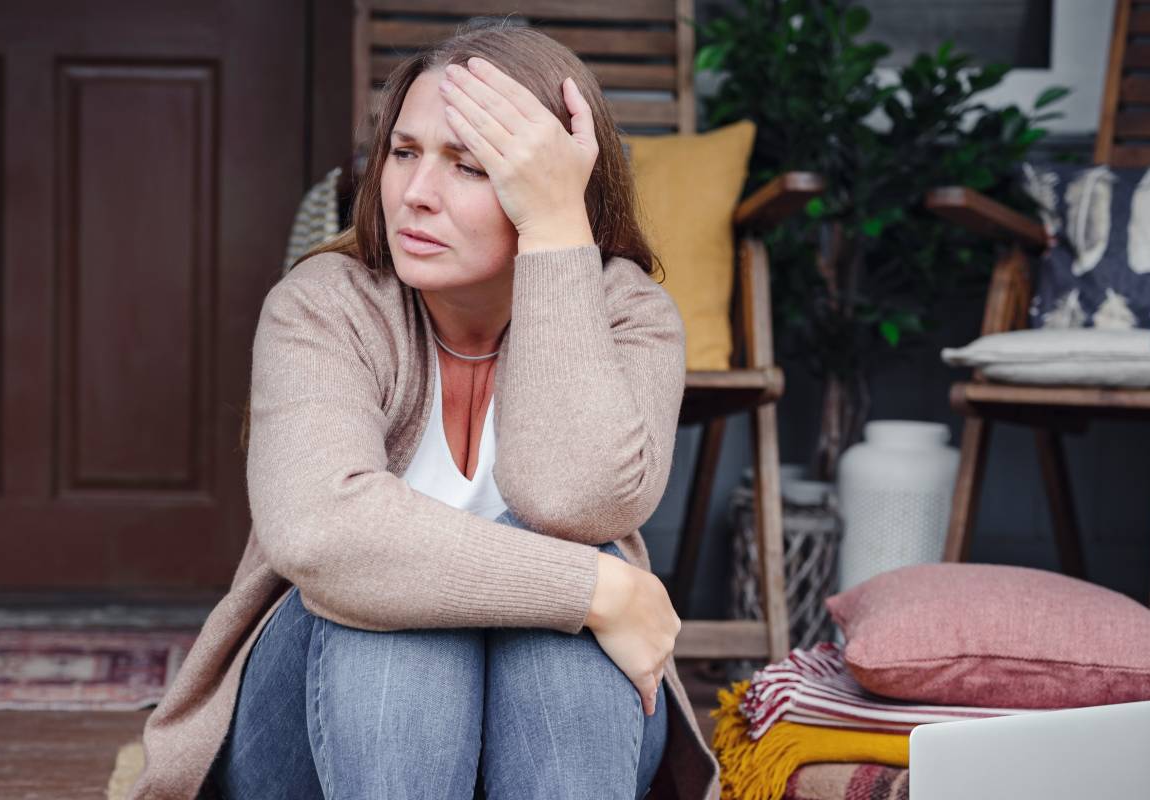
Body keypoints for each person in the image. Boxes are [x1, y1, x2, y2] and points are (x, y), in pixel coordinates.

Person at [130, 22, 718, 799]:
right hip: (314, 735)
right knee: (399, 625)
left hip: (552, 718)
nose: (415, 194)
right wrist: (600, 592)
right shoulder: (323, 305)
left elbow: (574, 498)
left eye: (471, 166)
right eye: (403, 153)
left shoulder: (628, 317)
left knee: (565, 648)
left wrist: (553, 236)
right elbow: (323, 531)